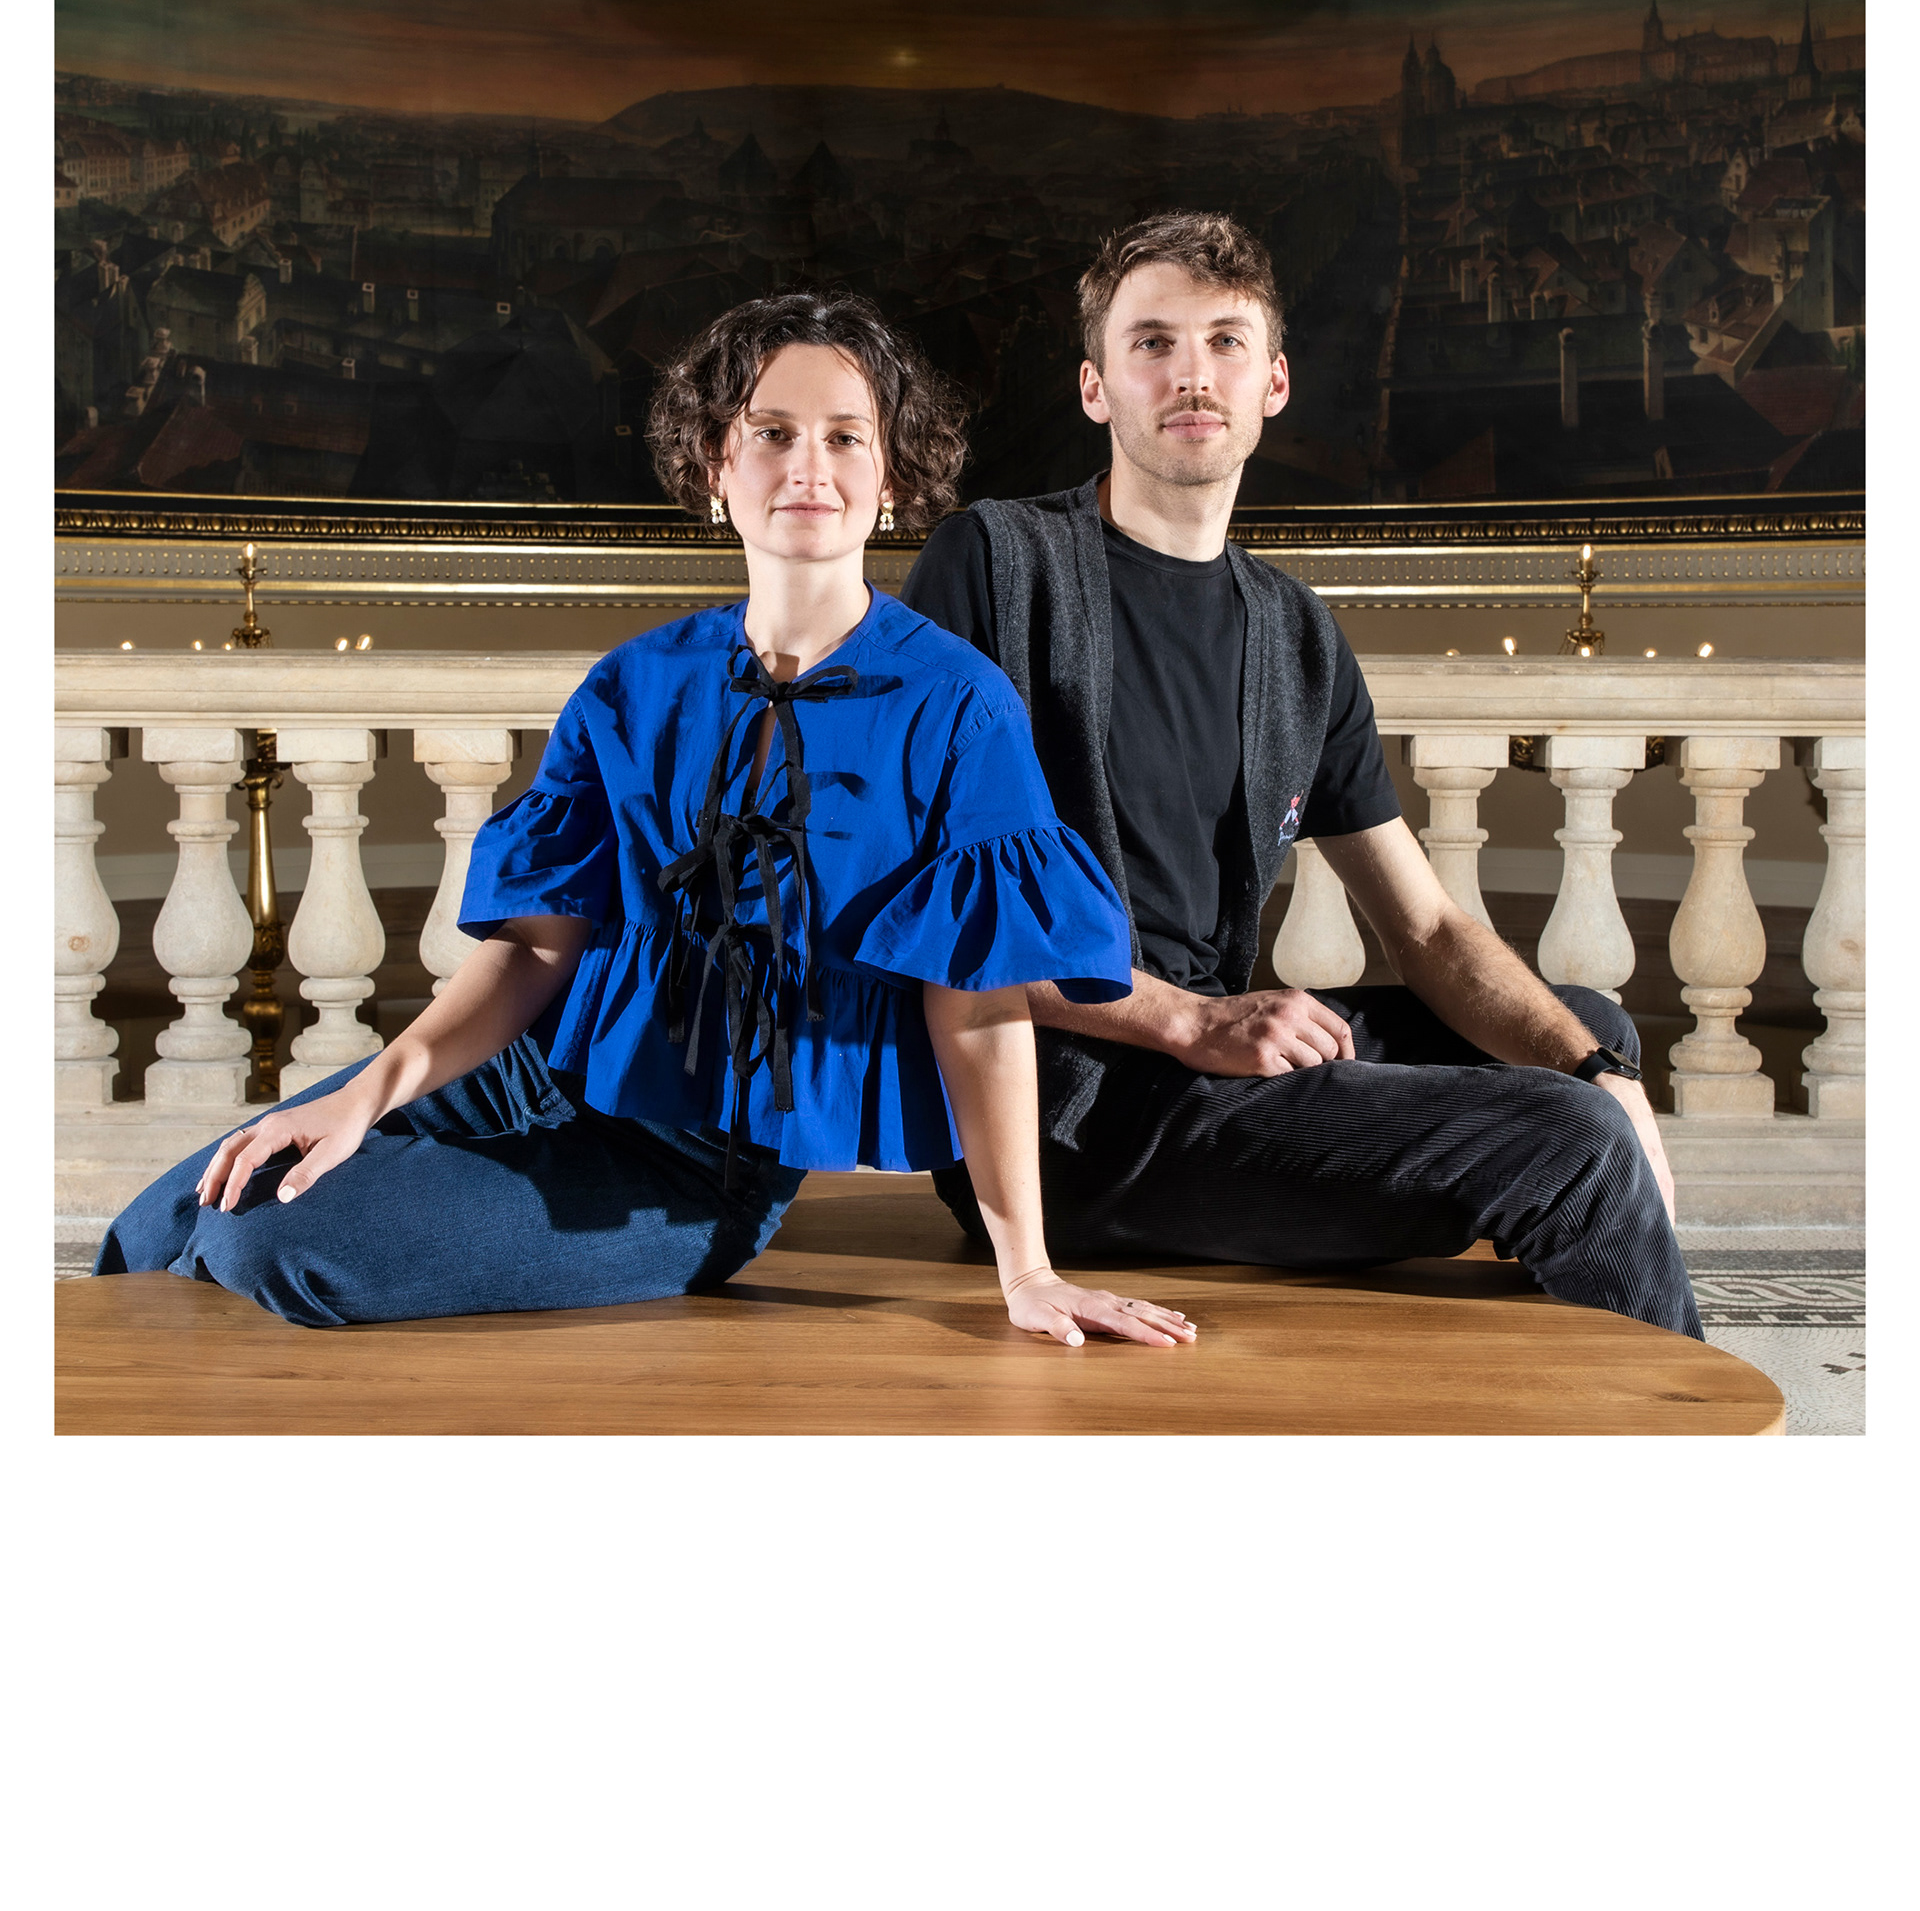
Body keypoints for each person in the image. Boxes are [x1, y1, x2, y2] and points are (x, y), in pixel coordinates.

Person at [97, 293, 1196, 1352]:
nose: (809, 467)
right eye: (772, 432)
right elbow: (536, 953)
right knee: (165, 1218)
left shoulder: (960, 705)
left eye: (845, 437)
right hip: (522, 1072)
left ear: (893, 475)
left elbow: (980, 1007)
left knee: (266, 1243)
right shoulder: (632, 683)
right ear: (717, 464)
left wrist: (1026, 1269)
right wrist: (366, 1098)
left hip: (688, 1172)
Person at [901, 211, 1704, 1340]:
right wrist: (1191, 1021)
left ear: (1272, 383)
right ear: (1095, 387)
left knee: (1581, 1031)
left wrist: (1598, 1067)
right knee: (1570, 1139)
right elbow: (934, 908)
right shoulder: (995, 563)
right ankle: (1676, 1421)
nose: (1192, 374)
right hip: (1069, 1111)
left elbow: (1428, 931)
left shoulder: (1295, 636)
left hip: (1205, 1058)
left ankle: (1564, 1366)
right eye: (1153, 343)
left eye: (1226, 342)